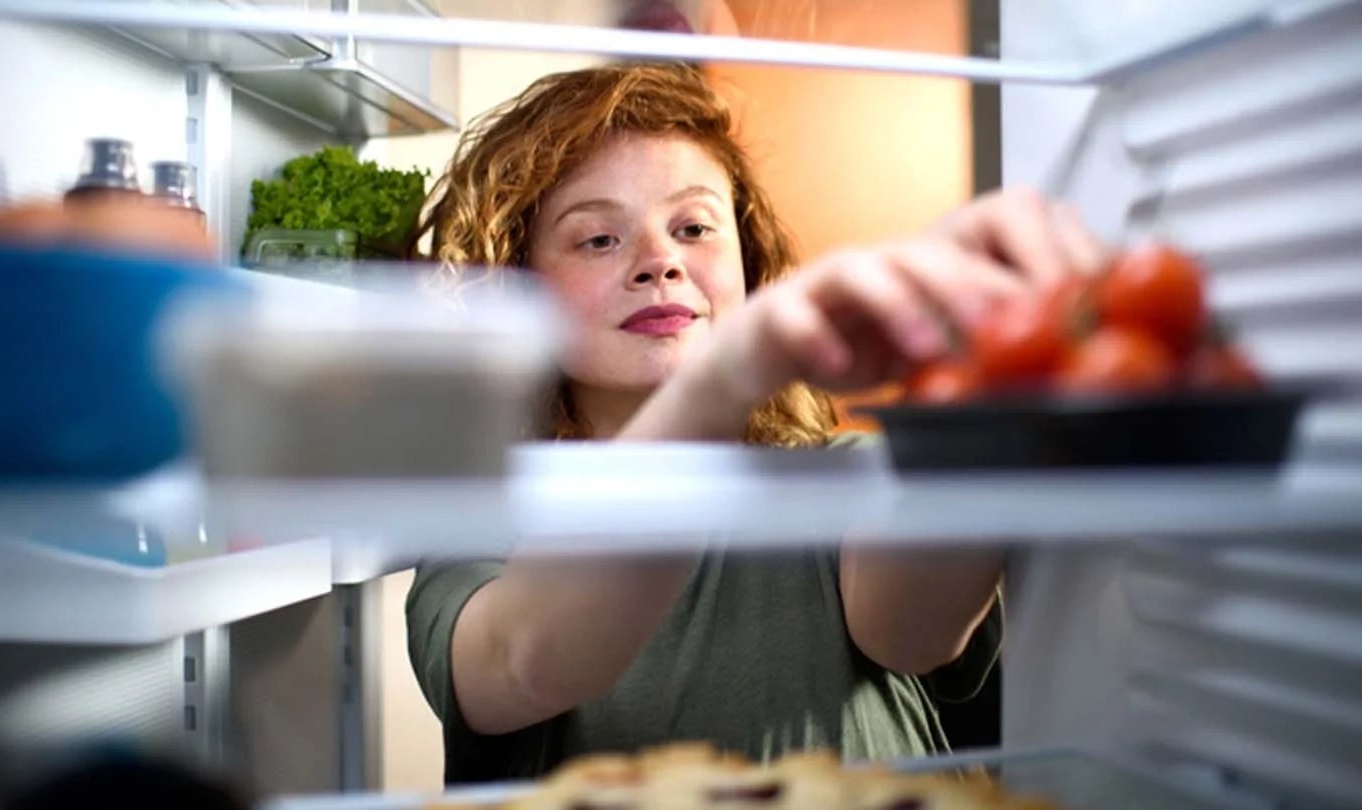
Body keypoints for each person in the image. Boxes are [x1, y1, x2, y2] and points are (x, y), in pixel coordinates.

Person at [405, 62, 1107, 784]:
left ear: (750, 263)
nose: (661, 262)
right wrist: (730, 373)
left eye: (694, 226)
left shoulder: (838, 472)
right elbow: (521, 663)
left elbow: (911, 635)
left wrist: (982, 361)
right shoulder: (485, 516)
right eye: (597, 240)